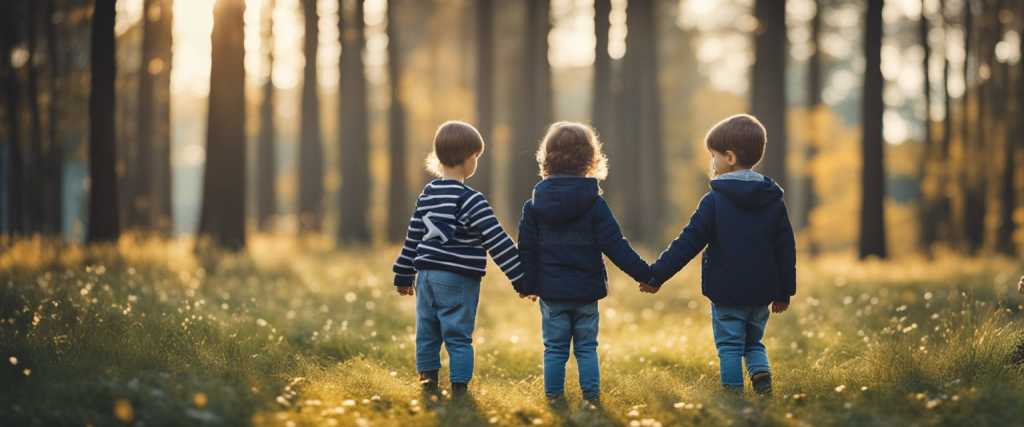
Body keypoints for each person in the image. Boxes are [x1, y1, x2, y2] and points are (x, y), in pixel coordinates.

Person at [639, 114, 796, 397]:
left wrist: (656, 274)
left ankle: (734, 397)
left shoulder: (714, 200)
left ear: (730, 157)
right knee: (753, 344)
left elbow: (687, 243)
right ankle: (762, 382)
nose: (712, 163)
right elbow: (785, 249)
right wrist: (785, 292)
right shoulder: (773, 200)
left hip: (725, 292)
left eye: (713, 156)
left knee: (729, 347)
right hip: (761, 293)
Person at [517, 122, 652, 405]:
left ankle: (555, 400)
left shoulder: (534, 206)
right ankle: (591, 399)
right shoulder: (595, 204)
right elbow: (616, 245)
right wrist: (646, 274)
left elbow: (526, 250)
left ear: (547, 157)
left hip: (552, 293)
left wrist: (526, 284)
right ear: (589, 159)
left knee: (554, 349)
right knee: (587, 348)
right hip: (586, 291)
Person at [392, 121, 527, 398]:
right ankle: (460, 391)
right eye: (476, 156)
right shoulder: (472, 200)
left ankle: (427, 387)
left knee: (427, 335)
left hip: (425, 278)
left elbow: (413, 237)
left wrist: (403, 275)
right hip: (457, 280)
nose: (476, 161)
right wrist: (523, 279)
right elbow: (498, 241)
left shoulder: (427, 195)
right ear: (468, 159)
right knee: (458, 337)